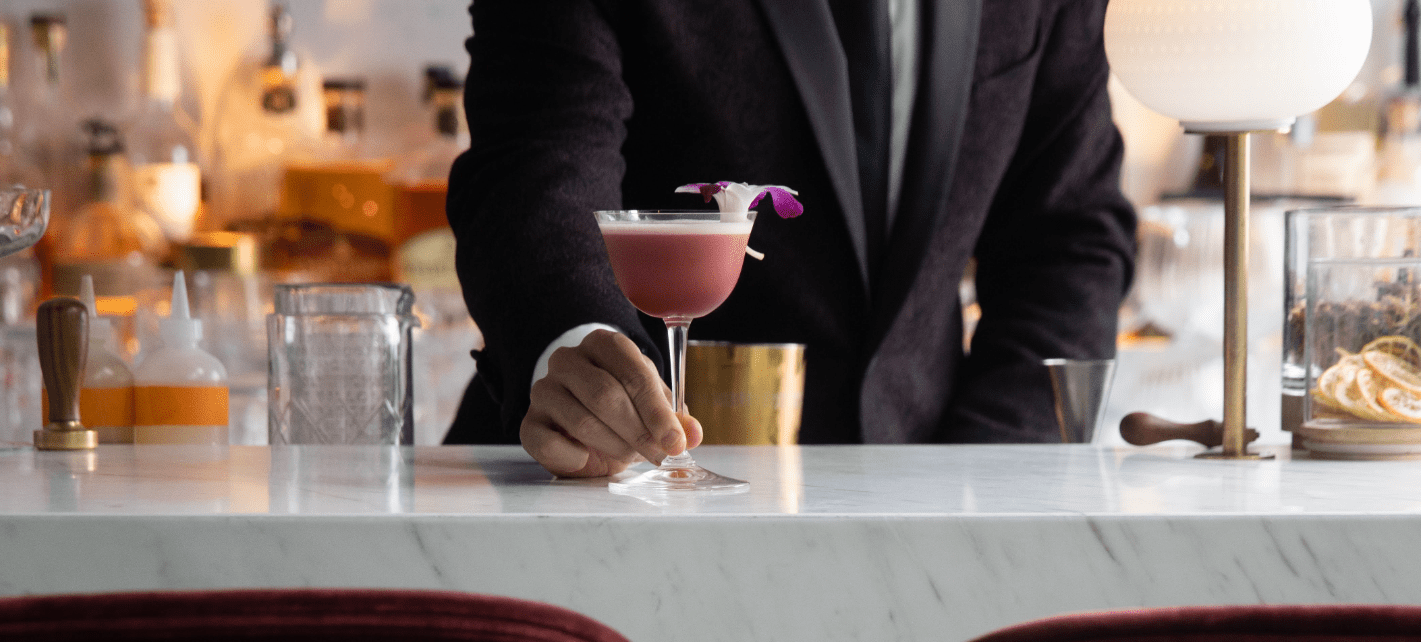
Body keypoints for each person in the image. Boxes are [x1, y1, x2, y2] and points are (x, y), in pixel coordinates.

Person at [444, 0, 1136, 477]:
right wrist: (582, 358)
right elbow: (537, 166)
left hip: (937, 515)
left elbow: (1068, 238)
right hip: (606, 496)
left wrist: (980, 479)